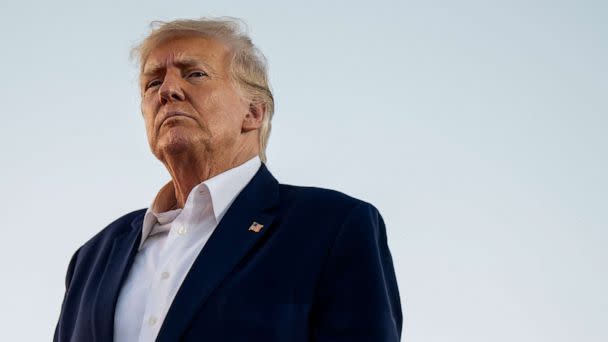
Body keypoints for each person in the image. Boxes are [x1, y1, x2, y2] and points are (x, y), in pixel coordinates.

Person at [53, 17, 403, 342]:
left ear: (253, 112)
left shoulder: (332, 226)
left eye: (194, 74)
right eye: (153, 82)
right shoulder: (93, 256)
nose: (167, 91)